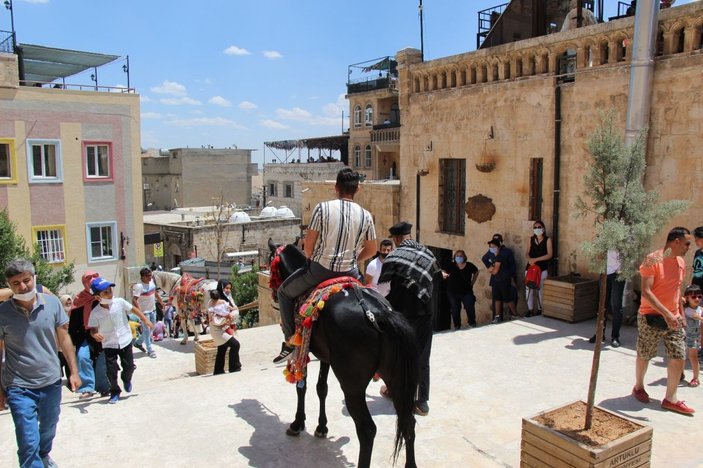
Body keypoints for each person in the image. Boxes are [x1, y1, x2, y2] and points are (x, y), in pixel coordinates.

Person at [273, 168, 377, 363]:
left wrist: (311, 259)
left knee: (283, 293)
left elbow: (309, 244)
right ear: (358, 189)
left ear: (336, 187)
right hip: (352, 273)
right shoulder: (366, 215)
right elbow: (372, 249)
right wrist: (354, 259)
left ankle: (290, 340)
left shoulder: (323, 208)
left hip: (321, 270)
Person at [0, 258, 81, 468]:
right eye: (16, 283)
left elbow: (64, 338)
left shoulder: (52, 303)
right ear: (8, 285)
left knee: (47, 430)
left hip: (51, 381)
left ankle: (44, 456)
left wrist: (74, 371)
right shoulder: (2, 314)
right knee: (27, 441)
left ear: (34, 278)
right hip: (19, 386)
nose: (23, 286)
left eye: (26, 280)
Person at [379, 221, 440, 416]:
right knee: (422, 357)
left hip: (402, 315)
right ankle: (422, 403)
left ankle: (394, 390)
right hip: (425, 313)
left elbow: (382, 290)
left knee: (396, 354)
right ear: (409, 235)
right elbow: (437, 278)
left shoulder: (394, 256)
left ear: (396, 239)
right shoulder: (427, 253)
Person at [632, 227, 695, 415]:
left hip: (673, 318)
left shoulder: (681, 263)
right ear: (676, 242)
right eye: (686, 243)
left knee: (678, 355)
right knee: (645, 353)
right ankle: (639, 386)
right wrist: (667, 314)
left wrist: (681, 315)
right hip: (650, 317)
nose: (688, 247)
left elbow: (677, 291)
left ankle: (671, 398)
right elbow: (647, 291)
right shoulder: (653, 259)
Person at [88, 277, 153, 404]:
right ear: (97, 297)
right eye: (105, 293)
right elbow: (93, 329)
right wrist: (95, 334)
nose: (110, 294)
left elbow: (133, 309)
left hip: (125, 340)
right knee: (111, 371)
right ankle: (115, 392)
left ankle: (126, 379)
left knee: (129, 367)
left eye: (110, 290)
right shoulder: (95, 313)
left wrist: (145, 319)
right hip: (109, 344)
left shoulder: (119, 302)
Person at [69, 270, 109, 399]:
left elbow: (112, 313)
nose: (91, 280)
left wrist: (102, 300)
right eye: (89, 278)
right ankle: (87, 387)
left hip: (103, 333)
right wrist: (72, 340)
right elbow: (74, 319)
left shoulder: (104, 296)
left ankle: (104, 387)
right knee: (82, 357)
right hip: (84, 335)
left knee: (102, 360)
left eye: (94, 277)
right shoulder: (79, 298)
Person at [589, 250, 626, 347]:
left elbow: (630, 254)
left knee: (616, 305)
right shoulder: (604, 237)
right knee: (602, 304)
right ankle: (600, 334)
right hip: (605, 272)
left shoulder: (625, 237)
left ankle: (615, 337)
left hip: (619, 273)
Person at [442, 249, 479, 329]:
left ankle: (472, 323)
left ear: (464, 257)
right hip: (452, 292)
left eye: (460, 256)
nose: (459, 257)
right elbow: (444, 271)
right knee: (455, 310)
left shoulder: (469, 265)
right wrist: (444, 274)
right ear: (454, 257)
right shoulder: (451, 265)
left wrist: (472, 282)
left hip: (466, 291)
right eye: (457, 256)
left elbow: (476, 272)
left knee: (470, 307)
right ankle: (457, 326)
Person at [207, 290, 242, 374]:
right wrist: (227, 320)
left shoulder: (211, 303)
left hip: (218, 330)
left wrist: (233, 310)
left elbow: (230, 309)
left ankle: (218, 370)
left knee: (222, 349)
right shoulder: (215, 305)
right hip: (217, 331)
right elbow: (216, 322)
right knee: (235, 345)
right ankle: (234, 367)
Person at [132, 267, 164, 358]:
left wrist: (161, 301)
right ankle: (150, 349)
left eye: (151, 275)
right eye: (148, 276)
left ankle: (138, 342)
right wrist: (140, 312)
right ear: (143, 277)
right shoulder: (139, 286)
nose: (150, 277)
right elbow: (134, 299)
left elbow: (155, 292)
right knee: (146, 330)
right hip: (144, 312)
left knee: (152, 328)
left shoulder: (151, 282)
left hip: (152, 310)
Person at [525, 220, 553, 316]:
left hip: (542, 268)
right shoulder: (531, 239)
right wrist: (529, 259)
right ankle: (530, 309)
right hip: (530, 268)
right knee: (529, 289)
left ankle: (540, 309)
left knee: (541, 289)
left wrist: (536, 259)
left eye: (539, 227)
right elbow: (527, 252)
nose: (537, 229)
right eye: (535, 227)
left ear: (543, 228)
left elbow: (549, 255)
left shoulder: (547, 240)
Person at [682, 284, 702, 387]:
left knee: (693, 357)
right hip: (683, 336)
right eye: (693, 297)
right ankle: (680, 374)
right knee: (681, 356)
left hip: (694, 337)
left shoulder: (701, 310)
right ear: (687, 298)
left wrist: (700, 318)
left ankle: (696, 378)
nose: (697, 299)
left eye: (699, 296)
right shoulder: (684, 308)